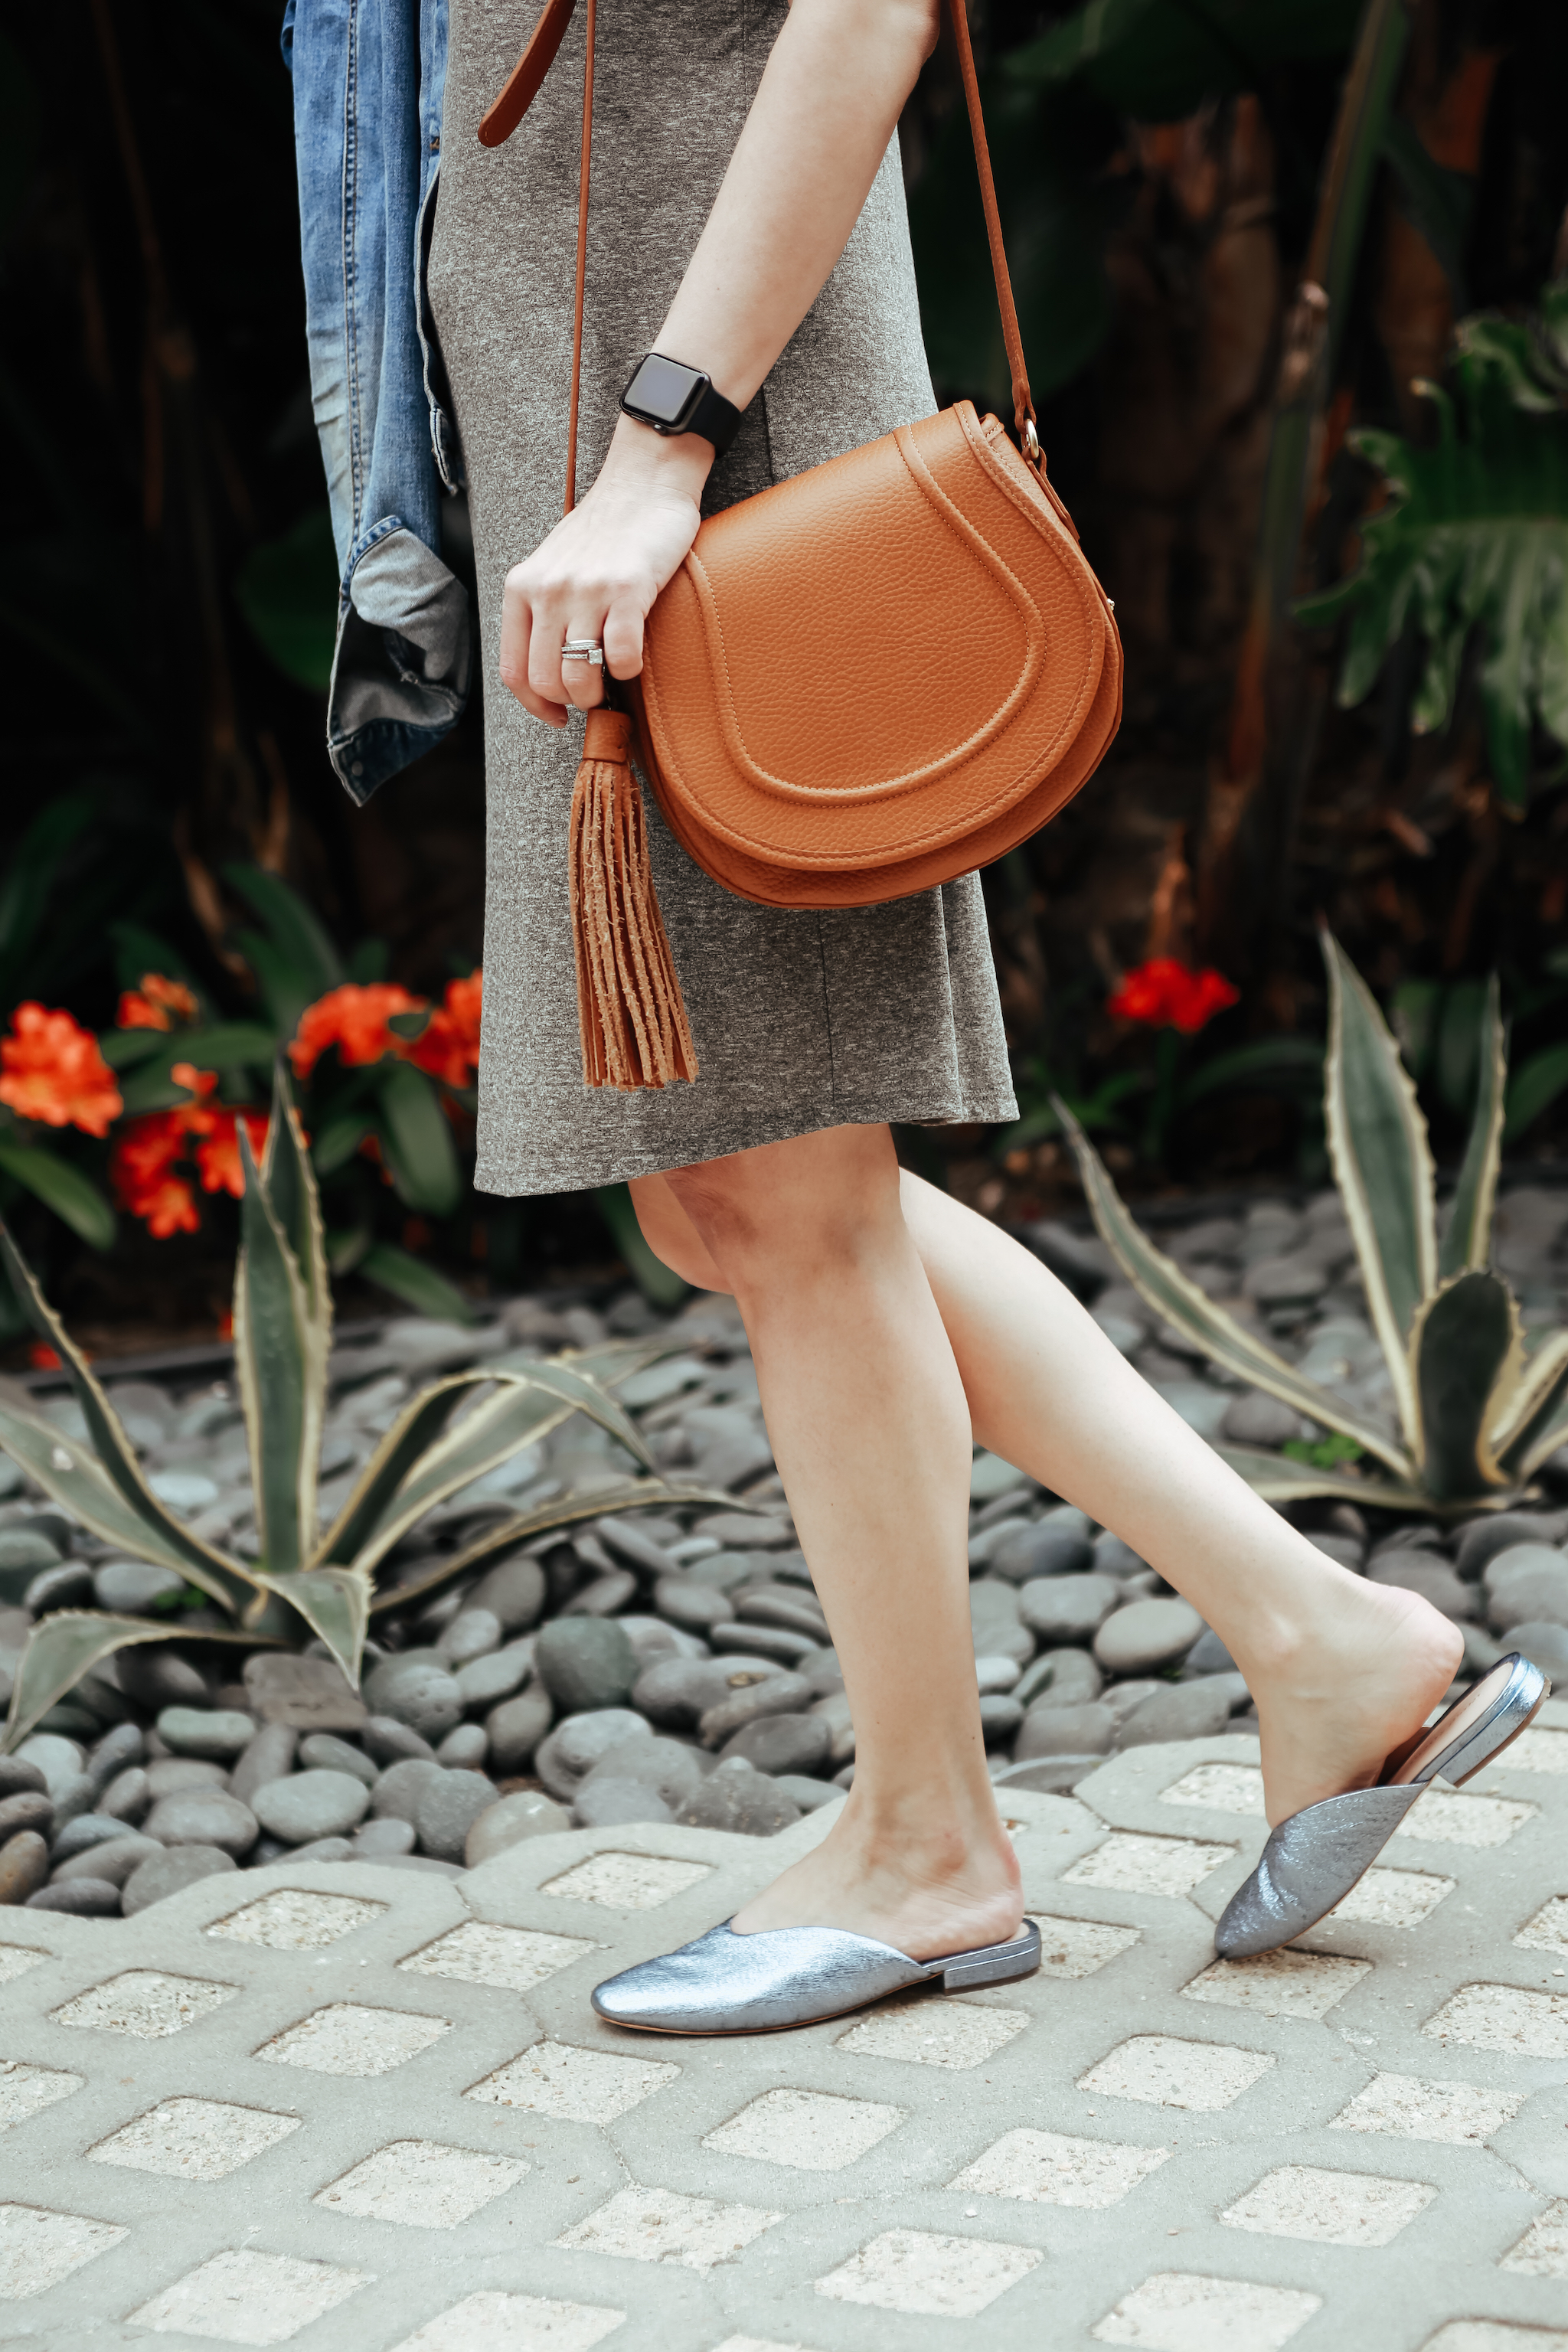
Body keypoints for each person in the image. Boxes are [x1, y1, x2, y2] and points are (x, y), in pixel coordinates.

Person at [303, 0, 1466, 2025]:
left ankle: (935, 1846)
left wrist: (663, 437)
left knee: (780, 1185)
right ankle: (1312, 1635)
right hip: (607, 386)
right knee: (729, 1192)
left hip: (699, 402)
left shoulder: (676, 425)